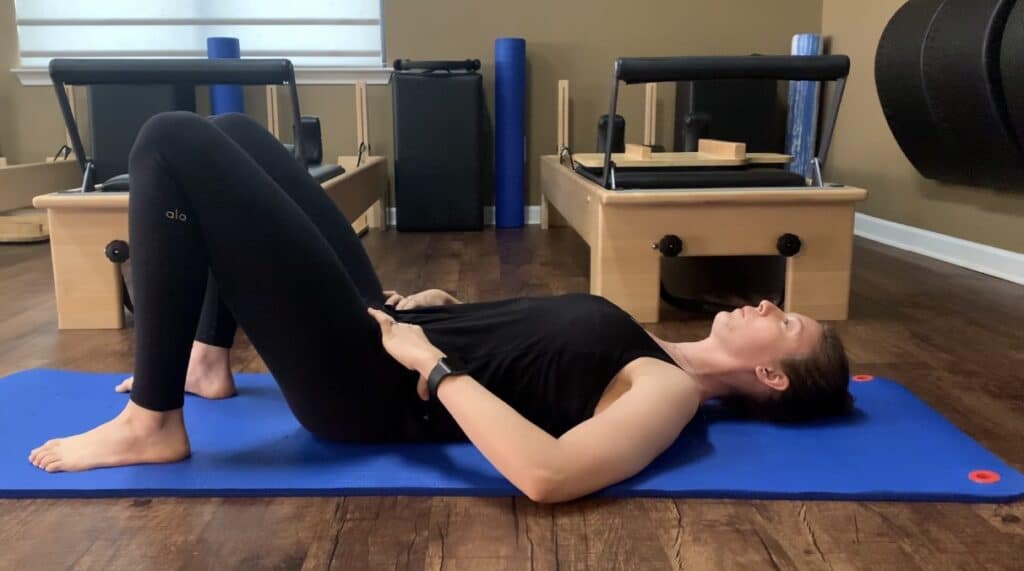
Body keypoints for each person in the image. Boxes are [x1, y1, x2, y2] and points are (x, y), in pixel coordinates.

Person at [27, 111, 852, 504]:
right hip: (395, 331)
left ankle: (153, 419)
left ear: (772, 375)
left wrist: (436, 362)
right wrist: (446, 314)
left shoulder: (672, 394)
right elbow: (532, 358)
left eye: (781, 319)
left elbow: (547, 476)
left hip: (367, 384)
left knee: (171, 143)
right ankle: (205, 362)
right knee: (240, 135)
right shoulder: (653, 350)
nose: (758, 303)